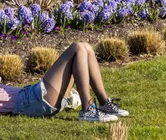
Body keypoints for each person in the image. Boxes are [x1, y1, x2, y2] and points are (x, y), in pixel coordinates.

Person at [0, 42, 129, 122]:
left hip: (31, 96)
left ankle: (104, 103)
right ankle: (87, 109)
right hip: (30, 101)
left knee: (86, 47)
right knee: (77, 48)